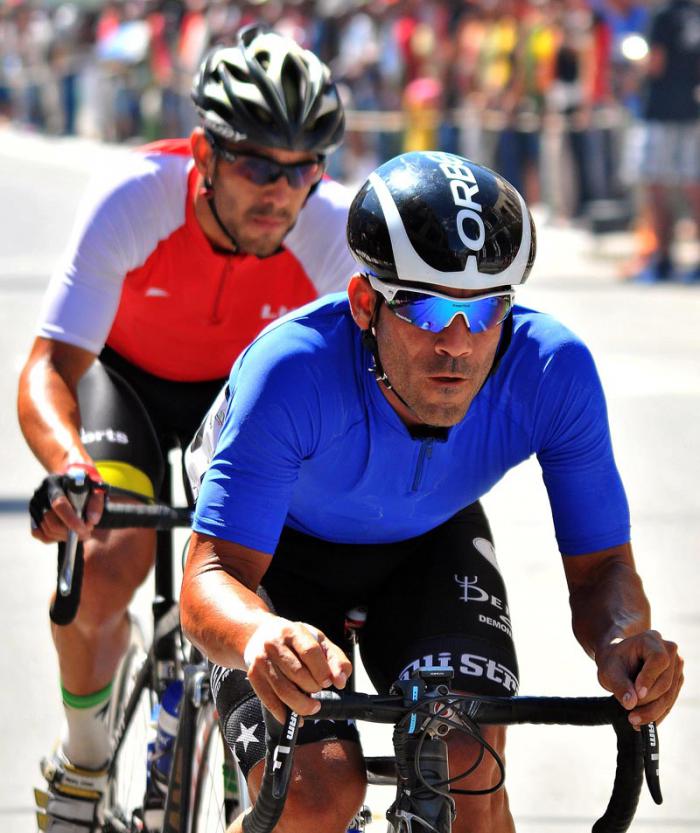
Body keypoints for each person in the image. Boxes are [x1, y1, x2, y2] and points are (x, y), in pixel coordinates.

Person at [181, 150, 684, 833]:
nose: (457, 343)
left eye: (485, 310)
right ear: (366, 303)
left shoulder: (552, 371)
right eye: (425, 306)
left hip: (426, 542)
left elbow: (602, 571)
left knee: (469, 773)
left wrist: (623, 641)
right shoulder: (292, 371)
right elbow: (213, 573)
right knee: (314, 797)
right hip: (277, 554)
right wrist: (257, 633)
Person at [20, 25, 356, 833]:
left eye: (303, 169)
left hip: (248, 405)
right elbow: (48, 368)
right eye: (257, 166)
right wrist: (70, 466)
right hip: (129, 386)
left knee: (270, 579)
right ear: (204, 152)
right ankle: (83, 758)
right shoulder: (135, 197)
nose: (281, 193)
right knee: (106, 559)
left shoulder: (329, 229)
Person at [633, 0, 700, 282]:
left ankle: (662, 259)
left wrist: (636, 72)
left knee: (656, 185)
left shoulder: (663, 15)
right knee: (693, 185)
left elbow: (655, 63)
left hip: (662, 111)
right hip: (692, 110)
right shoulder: (695, 13)